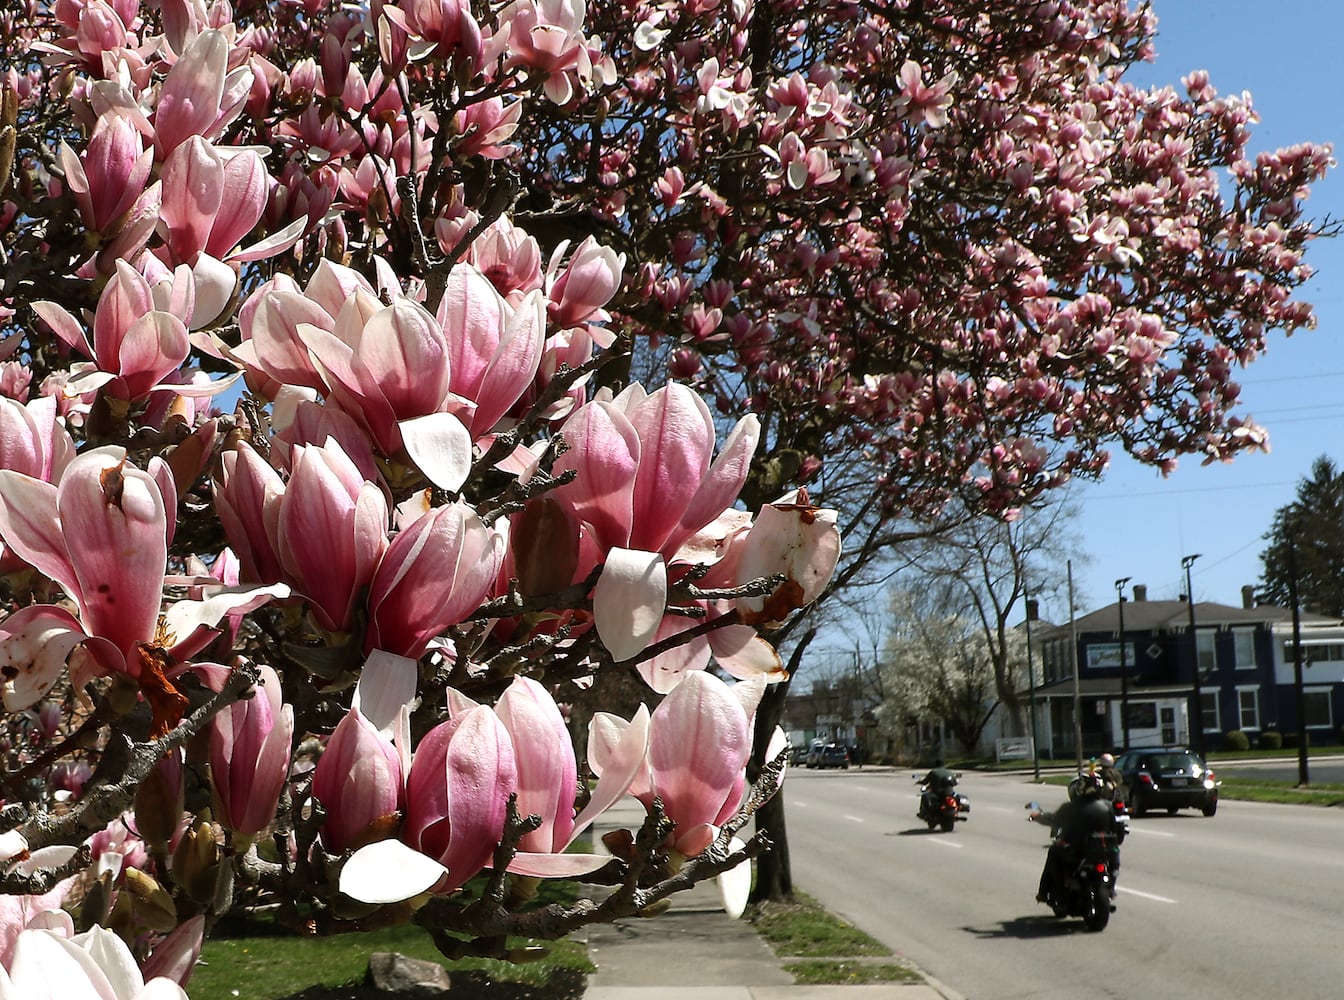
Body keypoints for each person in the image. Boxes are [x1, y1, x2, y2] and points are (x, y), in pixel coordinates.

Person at [1029, 770, 1117, 910]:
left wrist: (1038, 816)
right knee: (1114, 857)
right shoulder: (1107, 806)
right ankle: (1111, 887)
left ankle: (1048, 892)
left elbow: (1053, 819)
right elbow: (1115, 830)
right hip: (1101, 851)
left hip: (1076, 851)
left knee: (1053, 852)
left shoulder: (1070, 807)